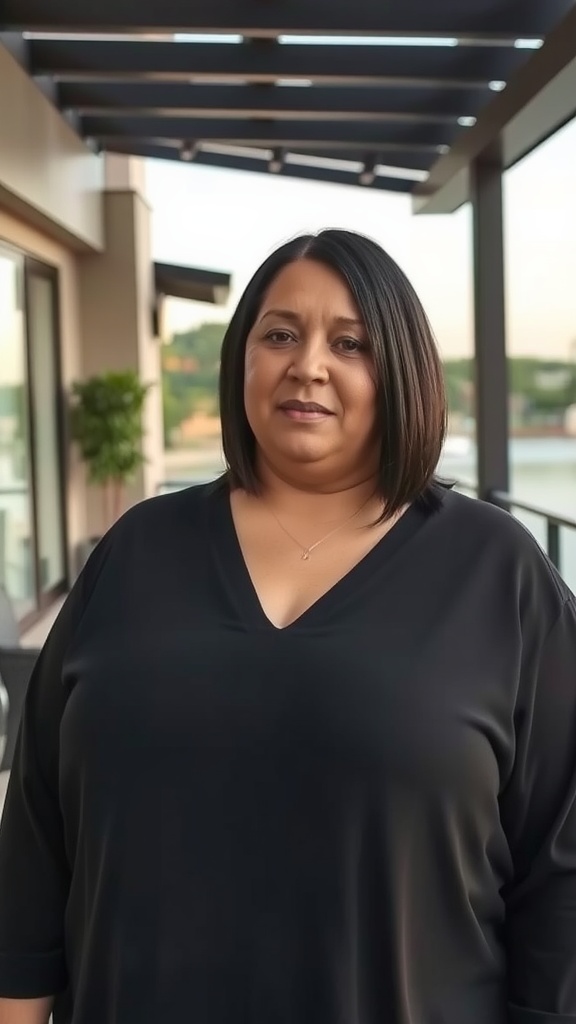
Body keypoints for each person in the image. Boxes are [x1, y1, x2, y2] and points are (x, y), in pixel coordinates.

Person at [0, 228, 574, 1024]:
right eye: (279, 334)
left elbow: (563, 871)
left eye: (351, 342)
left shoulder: (497, 572)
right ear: (243, 358)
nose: (308, 364)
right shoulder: (136, 551)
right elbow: (35, 830)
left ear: (400, 370)